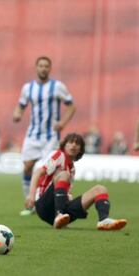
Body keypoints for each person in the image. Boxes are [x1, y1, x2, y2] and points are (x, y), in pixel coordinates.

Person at [12, 56, 76, 216]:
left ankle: (48, 204)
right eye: (40, 65)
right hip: (33, 135)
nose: (43, 68)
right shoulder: (28, 88)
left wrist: (62, 123)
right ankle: (30, 202)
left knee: (49, 170)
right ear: (36, 68)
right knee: (27, 167)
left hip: (51, 137)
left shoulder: (57, 86)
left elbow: (71, 106)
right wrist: (17, 114)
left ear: (50, 68)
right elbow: (20, 106)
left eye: (46, 66)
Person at [25, 133, 127, 230]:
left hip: (62, 210)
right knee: (64, 174)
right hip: (44, 206)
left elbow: (65, 192)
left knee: (100, 189)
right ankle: (59, 215)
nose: (73, 145)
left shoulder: (72, 169)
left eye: (77, 143)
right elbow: (38, 172)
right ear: (64, 145)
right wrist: (31, 195)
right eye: (70, 142)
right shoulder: (59, 155)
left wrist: (71, 202)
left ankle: (104, 220)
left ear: (80, 150)